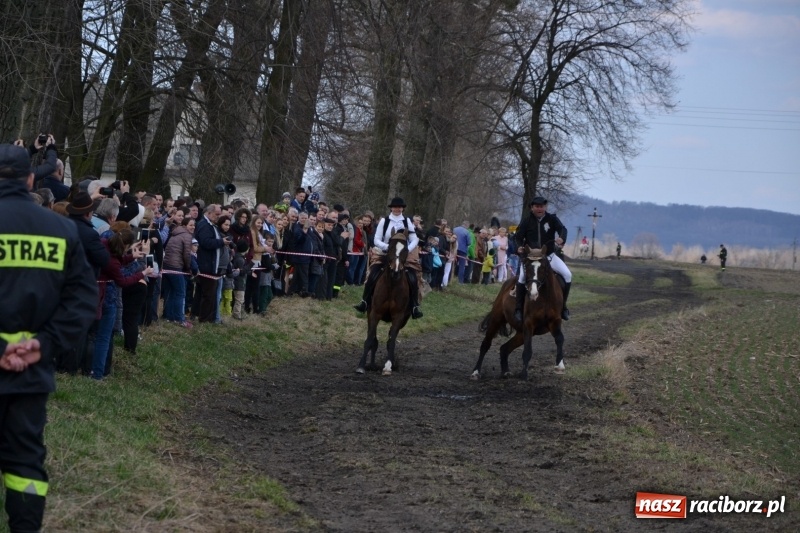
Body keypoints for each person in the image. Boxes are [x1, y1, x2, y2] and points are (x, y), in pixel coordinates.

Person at [0, 143, 97, 533]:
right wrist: (43, 344)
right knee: (25, 464)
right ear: (29, 179)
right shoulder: (61, 229)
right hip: (32, 372)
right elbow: (83, 299)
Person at [353, 197, 423, 319]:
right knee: (373, 274)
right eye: (395, 207)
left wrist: (406, 250)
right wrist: (389, 248)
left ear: (402, 208)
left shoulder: (407, 221)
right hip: (385, 253)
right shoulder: (384, 221)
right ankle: (364, 301)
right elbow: (376, 239)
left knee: (413, 277)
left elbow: (414, 239)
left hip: (402, 255)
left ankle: (414, 306)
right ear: (391, 208)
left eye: (399, 207)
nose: (397, 209)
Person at [515, 196, 572, 321]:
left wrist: (562, 238)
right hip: (531, 258)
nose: (539, 209)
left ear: (545, 207)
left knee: (568, 275)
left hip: (549, 256)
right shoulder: (526, 221)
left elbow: (563, 229)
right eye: (537, 206)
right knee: (522, 278)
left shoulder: (552, 219)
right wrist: (519, 247)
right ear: (532, 208)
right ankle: (518, 309)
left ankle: (563, 307)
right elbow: (518, 237)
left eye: (542, 206)